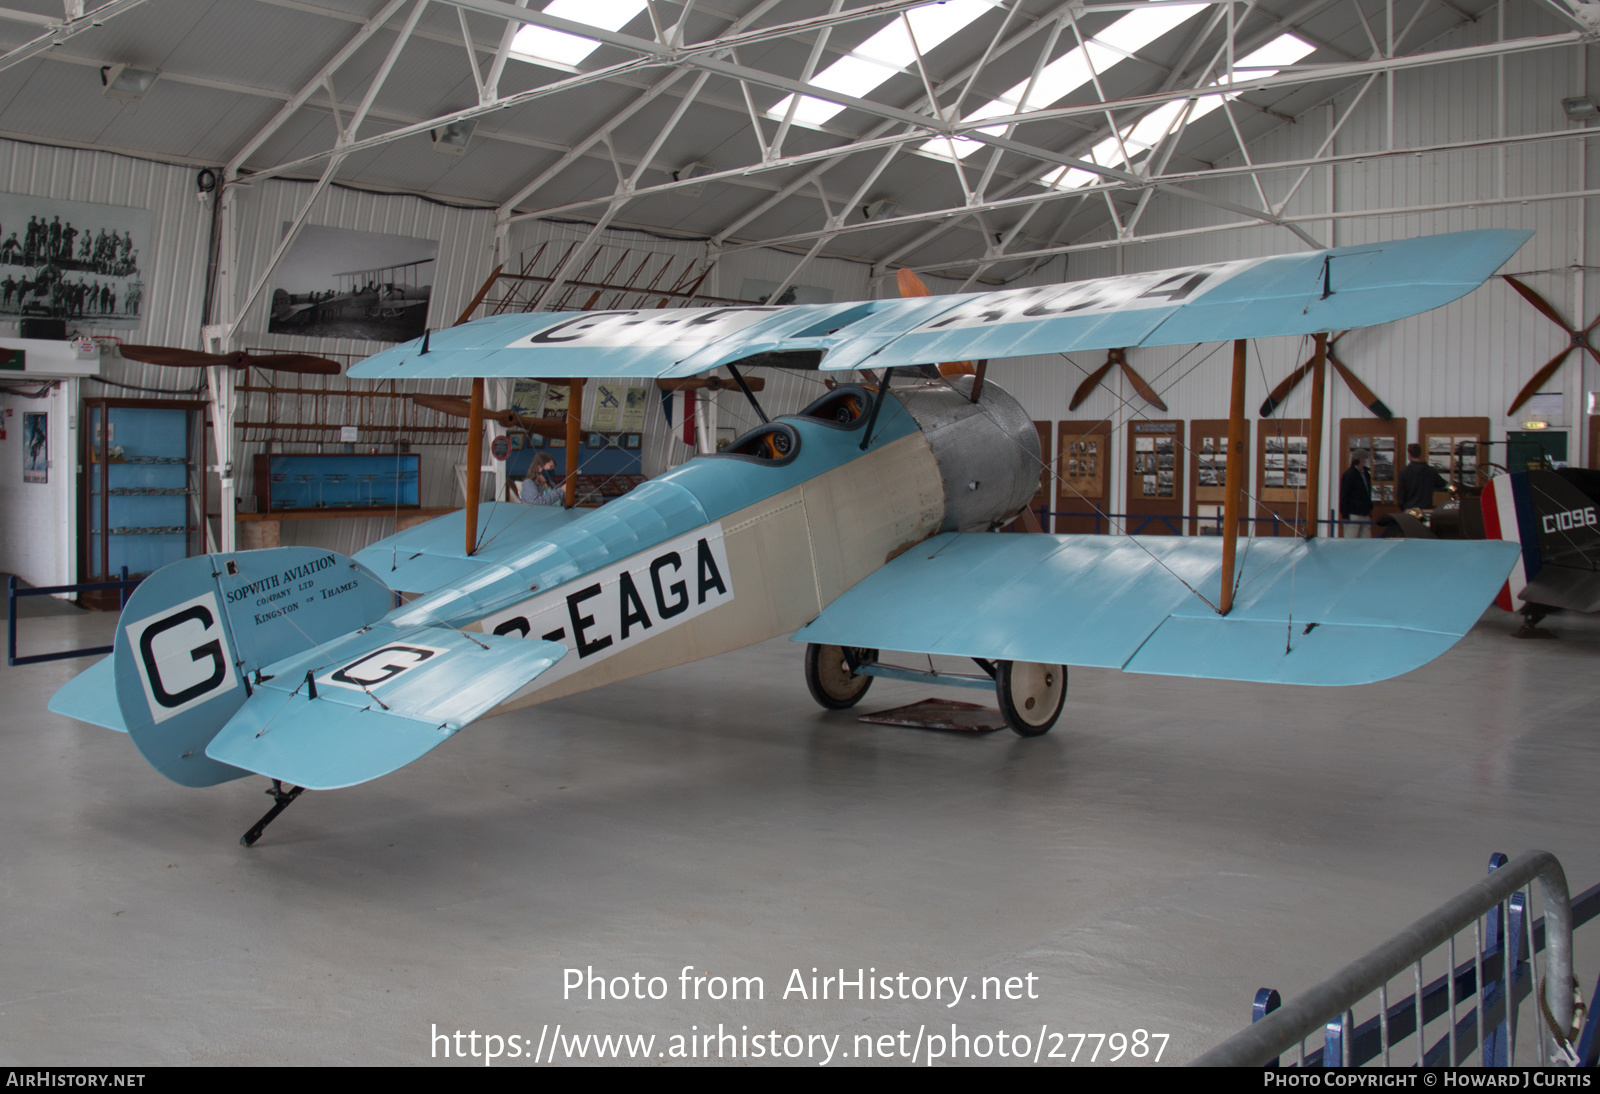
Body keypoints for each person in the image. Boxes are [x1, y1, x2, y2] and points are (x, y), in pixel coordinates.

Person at [1397, 442, 1449, 512]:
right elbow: (1443, 484)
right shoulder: (1431, 471)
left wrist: (1403, 509)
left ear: (1409, 454)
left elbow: (1401, 496)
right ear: (1420, 454)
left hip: (1409, 510)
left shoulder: (1403, 472)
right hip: (1426, 509)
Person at [1339, 450, 1374, 537]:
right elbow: (1344, 495)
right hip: (1353, 512)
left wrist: (1369, 508)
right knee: (1350, 539)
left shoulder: (1366, 474)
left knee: (1366, 540)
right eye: (1365, 458)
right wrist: (1345, 514)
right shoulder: (1349, 474)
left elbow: (1367, 492)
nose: (1366, 460)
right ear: (1361, 459)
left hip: (1365, 512)